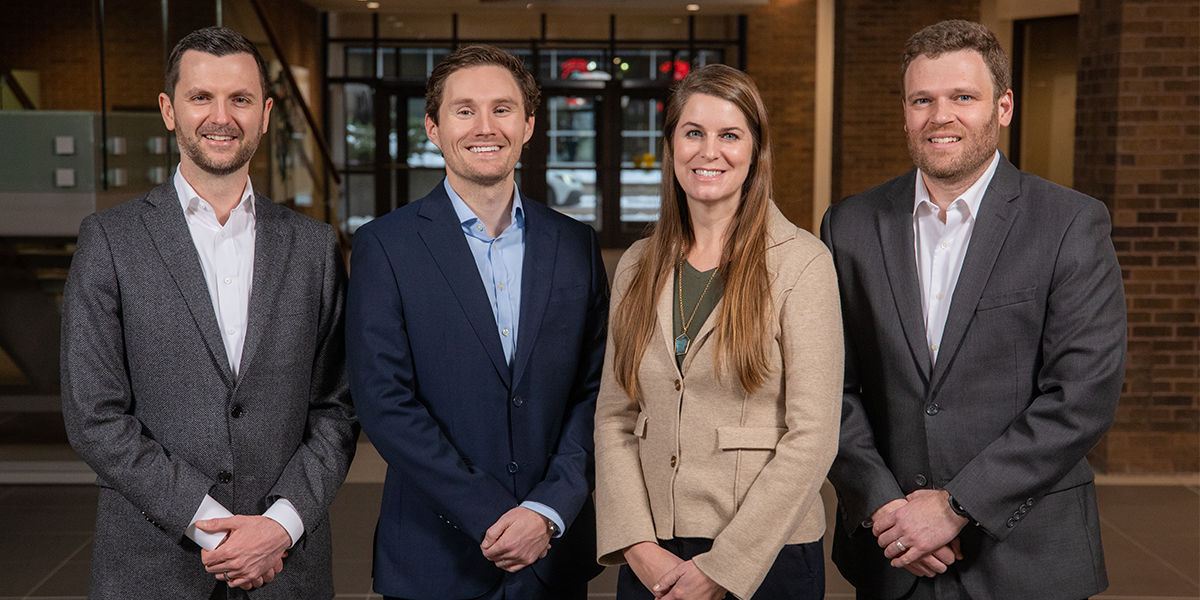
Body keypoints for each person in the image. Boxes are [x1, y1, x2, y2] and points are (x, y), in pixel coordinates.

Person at [821, 19, 1126, 600]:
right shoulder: (850, 227)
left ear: (1003, 106)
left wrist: (959, 506)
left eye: (963, 97)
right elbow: (828, 386)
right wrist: (886, 507)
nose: (941, 116)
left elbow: (1082, 394)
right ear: (905, 112)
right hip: (893, 555)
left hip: (1028, 558)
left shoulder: (1069, 224)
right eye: (922, 100)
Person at [61, 26, 358, 600]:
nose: (221, 116)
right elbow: (95, 416)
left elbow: (337, 410)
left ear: (266, 114)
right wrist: (208, 526)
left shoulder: (315, 247)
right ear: (169, 110)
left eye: (240, 99)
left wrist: (280, 524)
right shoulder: (110, 241)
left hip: (285, 567)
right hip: (152, 567)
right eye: (202, 97)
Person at [345, 45, 607, 600]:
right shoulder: (383, 246)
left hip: (551, 556)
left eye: (503, 109)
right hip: (433, 557)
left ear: (529, 125)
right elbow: (383, 402)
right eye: (464, 110)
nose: (484, 127)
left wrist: (546, 510)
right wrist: (493, 515)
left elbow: (598, 392)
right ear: (433, 128)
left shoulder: (576, 245)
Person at [594, 64, 844, 600]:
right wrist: (636, 544)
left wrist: (723, 567)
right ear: (671, 146)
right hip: (653, 556)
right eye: (693, 133)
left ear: (755, 150)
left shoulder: (802, 264)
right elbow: (615, 416)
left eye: (730, 135)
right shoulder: (638, 264)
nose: (710, 152)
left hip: (764, 556)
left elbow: (814, 437)